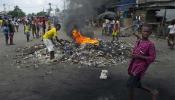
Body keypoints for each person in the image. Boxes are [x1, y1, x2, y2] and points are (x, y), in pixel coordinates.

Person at [127, 24, 158, 100]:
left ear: (150, 33)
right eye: (144, 31)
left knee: (131, 85)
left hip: (140, 68)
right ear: (141, 31)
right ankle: (153, 92)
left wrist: (138, 56)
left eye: (147, 32)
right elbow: (138, 40)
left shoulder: (150, 45)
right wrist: (133, 55)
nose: (145, 33)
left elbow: (152, 58)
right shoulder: (139, 41)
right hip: (134, 66)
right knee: (137, 84)